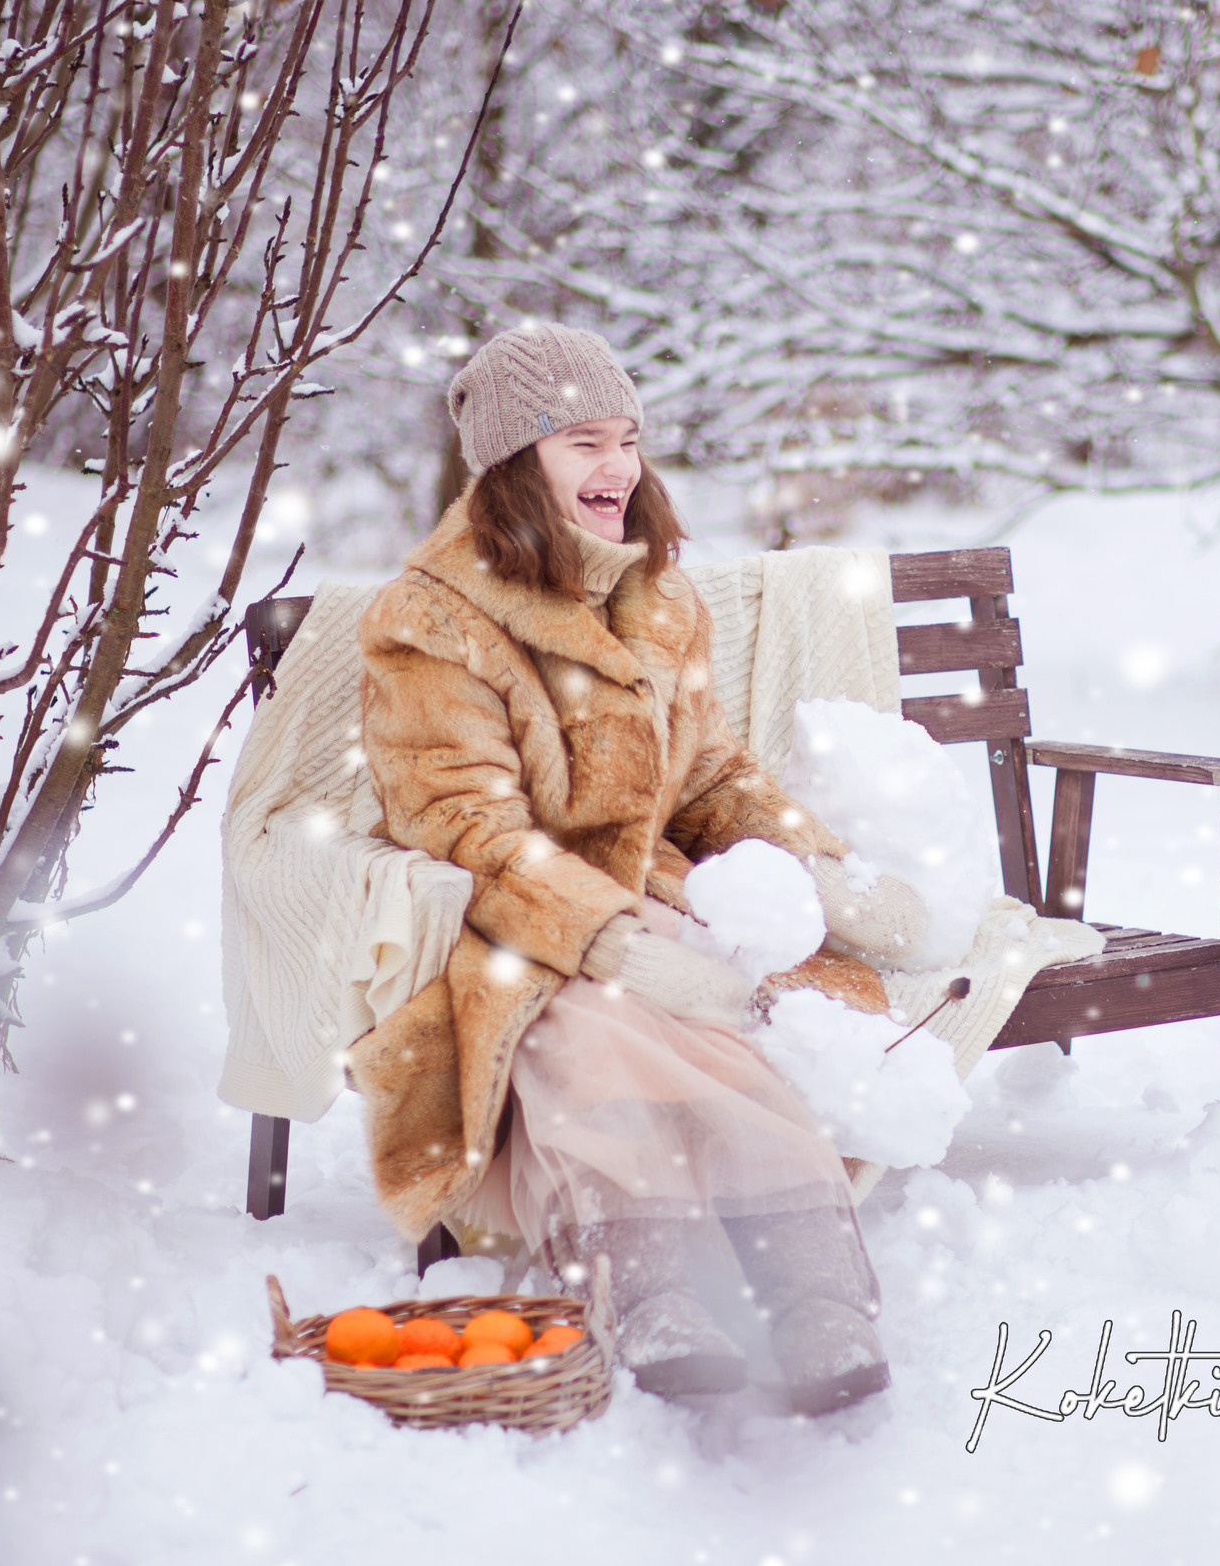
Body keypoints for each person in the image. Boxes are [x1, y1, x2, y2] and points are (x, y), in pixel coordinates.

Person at [353, 322, 929, 1415]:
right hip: (521, 925)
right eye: (582, 442)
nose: (618, 466)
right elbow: (463, 824)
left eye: (626, 437)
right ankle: (651, 1287)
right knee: (590, 1025)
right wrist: (607, 938)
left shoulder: (659, 599)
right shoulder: (431, 620)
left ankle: (820, 1301)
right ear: (515, 465)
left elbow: (708, 774)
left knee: (715, 1022)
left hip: (658, 903)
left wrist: (816, 863)